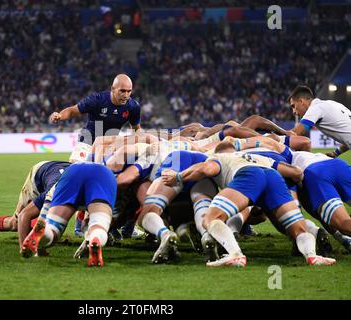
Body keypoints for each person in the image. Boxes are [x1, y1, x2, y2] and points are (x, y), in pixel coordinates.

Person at [162, 142, 336, 267]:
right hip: (273, 176)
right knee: (298, 229)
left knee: (211, 218)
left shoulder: (219, 157)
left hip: (249, 177)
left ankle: (235, 255)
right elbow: (295, 172)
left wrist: (178, 177)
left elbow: (205, 169)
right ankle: (312, 256)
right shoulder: (255, 156)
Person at [49, 74, 141, 236]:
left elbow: (137, 129)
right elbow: (72, 111)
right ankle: (63, 217)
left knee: (106, 181)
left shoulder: (132, 107)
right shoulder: (97, 100)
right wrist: (59, 115)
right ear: (113, 89)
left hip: (110, 146)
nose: (126, 95)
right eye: (122, 91)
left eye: (129, 91)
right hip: (88, 141)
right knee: (75, 173)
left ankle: (111, 222)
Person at [21, 162, 117, 267]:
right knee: (98, 224)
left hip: (71, 173)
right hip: (103, 175)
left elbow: (42, 219)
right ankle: (96, 237)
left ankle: (45, 233)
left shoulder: (55, 185)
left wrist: (40, 246)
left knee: (52, 228)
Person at [0, 161, 71, 249]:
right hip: (38, 175)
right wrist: (25, 248)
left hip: (59, 172)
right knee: (16, 222)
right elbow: (25, 215)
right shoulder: (52, 193)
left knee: (52, 219)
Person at [288, 85, 351, 157]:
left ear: (301, 101)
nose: (293, 111)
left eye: (293, 106)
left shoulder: (315, 108)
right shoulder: (332, 104)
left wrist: (275, 137)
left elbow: (295, 133)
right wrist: (336, 153)